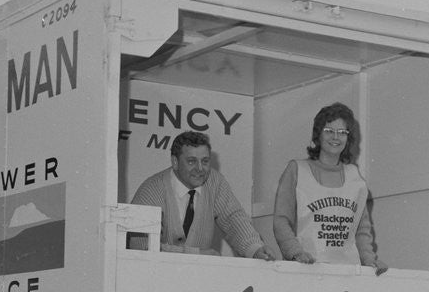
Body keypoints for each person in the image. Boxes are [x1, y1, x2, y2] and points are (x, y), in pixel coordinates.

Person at [273, 102, 386, 272]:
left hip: (347, 272)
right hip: (306, 270)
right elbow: (281, 220)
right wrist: (295, 253)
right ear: (318, 135)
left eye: (342, 132)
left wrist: (369, 259)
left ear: (348, 139)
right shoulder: (296, 170)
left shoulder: (355, 177)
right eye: (329, 131)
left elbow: (362, 228)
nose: (335, 137)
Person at [130, 130, 275, 260]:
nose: (200, 169)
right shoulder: (151, 190)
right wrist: (196, 254)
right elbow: (141, 245)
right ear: (175, 162)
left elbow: (233, 219)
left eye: (205, 161)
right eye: (191, 161)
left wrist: (255, 249)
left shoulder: (214, 181)